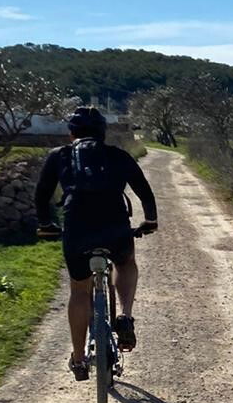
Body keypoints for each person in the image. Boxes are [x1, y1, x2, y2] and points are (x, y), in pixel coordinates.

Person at [35, 107, 158, 381]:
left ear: (71, 133)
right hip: (114, 227)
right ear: (103, 132)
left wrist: (45, 224)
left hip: (77, 228)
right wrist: (150, 221)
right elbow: (144, 190)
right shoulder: (118, 155)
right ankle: (125, 316)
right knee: (125, 263)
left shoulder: (59, 156)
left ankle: (79, 360)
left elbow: (42, 195)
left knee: (79, 291)